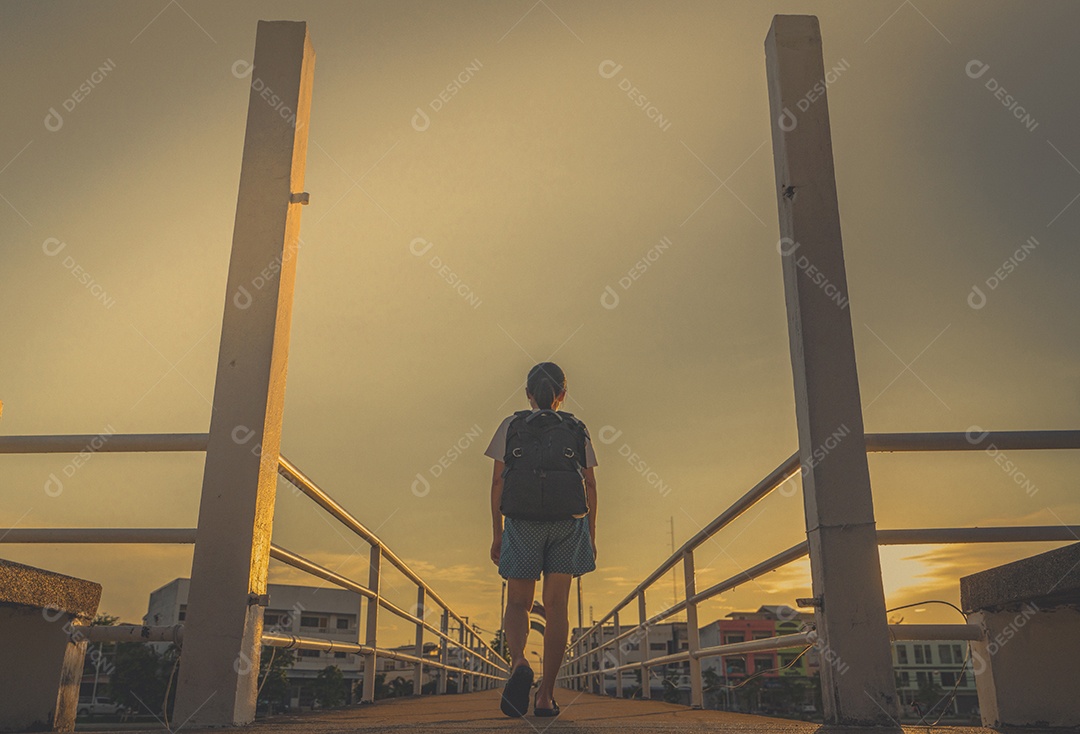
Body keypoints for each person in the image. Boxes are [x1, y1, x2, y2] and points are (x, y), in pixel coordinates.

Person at [486, 362, 598, 717]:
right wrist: (590, 535)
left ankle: (520, 661)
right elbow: (590, 485)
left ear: (528, 394)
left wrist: (498, 533)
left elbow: (498, 482)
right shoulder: (577, 428)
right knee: (557, 608)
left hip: (522, 523)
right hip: (567, 524)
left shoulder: (511, 426)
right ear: (563, 394)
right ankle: (546, 696)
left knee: (519, 602)